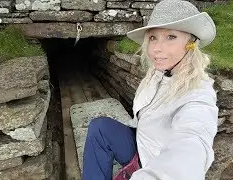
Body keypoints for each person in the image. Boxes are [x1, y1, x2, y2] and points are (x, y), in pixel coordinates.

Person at [82, 0, 219, 179]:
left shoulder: (198, 94)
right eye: (153, 37)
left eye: (171, 37)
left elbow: (193, 142)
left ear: (191, 42)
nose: (156, 49)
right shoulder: (158, 72)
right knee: (100, 127)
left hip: (155, 162)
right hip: (140, 144)